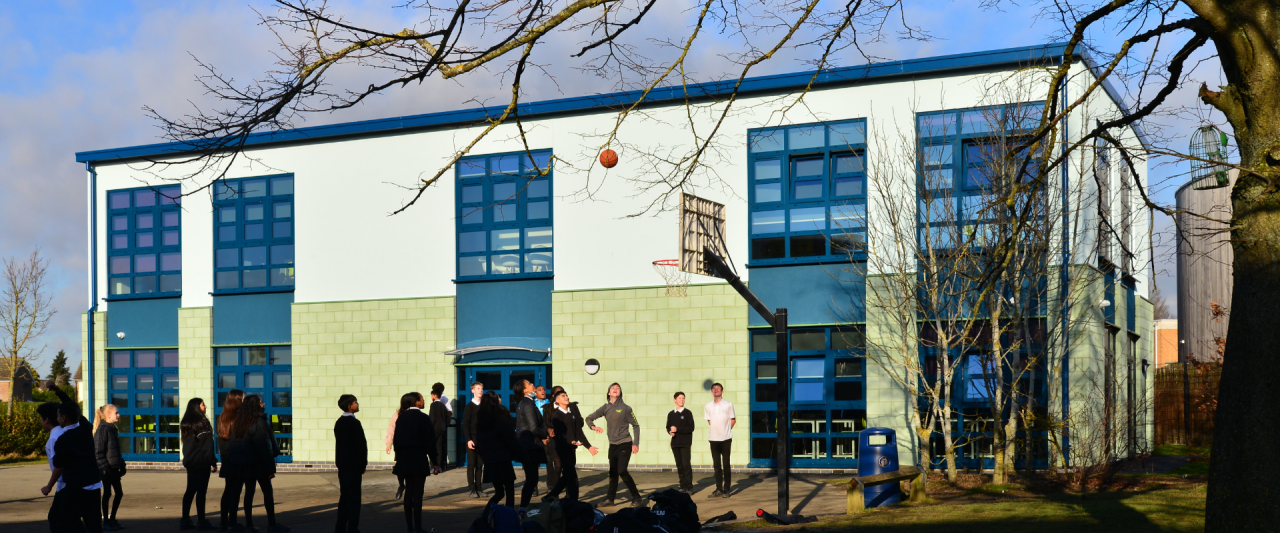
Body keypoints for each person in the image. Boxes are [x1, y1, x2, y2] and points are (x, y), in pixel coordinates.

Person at [38, 381, 104, 533]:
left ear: (62, 418)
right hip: (93, 483)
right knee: (93, 523)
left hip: (75, 486)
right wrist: (59, 391)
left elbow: (59, 465)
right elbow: (72, 406)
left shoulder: (63, 439)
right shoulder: (86, 428)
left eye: (58, 415)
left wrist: (49, 486)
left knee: (64, 523)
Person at [586, 382, 643, 507]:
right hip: (613, 445)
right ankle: (610, 499)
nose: (615, 389)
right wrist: (593, 427)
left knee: (622, 471)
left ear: (620, 392)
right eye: (613, 388)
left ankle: (636, 497)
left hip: (625, 443)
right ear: (609, 393)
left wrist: (636, 443)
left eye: (618, 388)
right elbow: (588, 418)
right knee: (612, 473)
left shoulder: (626, 408)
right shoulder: (605, 407)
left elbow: (636, 426)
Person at [392, 392, 438, 533]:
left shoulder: (401, 418)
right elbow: (430, 442)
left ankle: (409, 527)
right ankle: (418, 526)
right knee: (418, 494)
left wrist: (398, 458)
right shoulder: (424, 418)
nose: (424, 401)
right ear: (417, 402)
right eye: (422, 399)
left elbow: (396, 441)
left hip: (404, 458)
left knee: (408, 492)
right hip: (418, 458)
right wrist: (435, 462)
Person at [542, 390, 598, 502]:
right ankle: (573, 500)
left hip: (571, 448)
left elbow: (579, 432)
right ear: (557, 401)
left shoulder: (572, 414)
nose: (566, 397)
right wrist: (570, 441)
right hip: (562, 448)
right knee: (572, 475)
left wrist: (589, 446)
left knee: (568, 474)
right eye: (563, 396)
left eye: (566, 395)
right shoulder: (557, 416)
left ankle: (550, 496)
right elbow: (559, 435)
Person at [474, 392, 523, 509]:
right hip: (503, 459)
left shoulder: (482, 420)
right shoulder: (501, 417)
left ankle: (485, 516)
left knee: (499, 492)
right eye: (498, 397)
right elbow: (511, 439)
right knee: (509, 491)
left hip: (490, 461)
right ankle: (509, 517)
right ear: (495, 401)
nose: (500, 399)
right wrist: (521, 455)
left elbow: (480, 442)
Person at [180, 398, 219, 531]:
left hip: (191, 462)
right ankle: (201, 521)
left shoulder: (186, 424)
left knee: (190, 490)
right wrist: (213, 461)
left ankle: (185, 520)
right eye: (203, 405)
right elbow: (208, 446)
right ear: (197, 407)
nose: (205, 406)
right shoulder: (203, 423)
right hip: (202, 462)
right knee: (201, 492)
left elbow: (187, 446)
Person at [512, 379, 547, 511]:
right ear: (525, 390)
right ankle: (522, 508)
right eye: (529, 383)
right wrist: (545, 435)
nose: (532, 384)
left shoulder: (527, 402)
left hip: (528, 446)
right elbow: (533, 428)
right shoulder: (527, 404)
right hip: (530, 446)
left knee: (532, 479)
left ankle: (523, 508)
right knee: (531, 480)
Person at [334, 394, 367, 533]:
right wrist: (363, 463)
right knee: (354, 498)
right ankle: (352, 527)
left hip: (343, 465)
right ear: (349, 406)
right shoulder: (354, 423)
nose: (357, 404)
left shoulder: (339, 422)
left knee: (344, 497)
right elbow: (361, 445)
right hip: (354, 466)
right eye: (355, 402)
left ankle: (340, 526)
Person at [93, 404, 126, 530]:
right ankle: (106, 521)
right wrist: (105, 468)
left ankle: (112, 519)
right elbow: (98, 452)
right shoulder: (103, 429)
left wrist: (121, 464)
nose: (119, 415)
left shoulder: (112, 428)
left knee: (119, 493)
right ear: (108, 415)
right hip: (106, 469)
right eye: (116, 413)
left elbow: (115, 451)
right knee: (107, 493)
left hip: (114, 468)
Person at [218, 389, 246, 530]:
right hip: (237, 461)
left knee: (228, 491)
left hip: (227, 460)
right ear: (238, 400)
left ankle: (224, 523)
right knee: (235, 493)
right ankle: (232, 523)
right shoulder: (239, 418)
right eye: (243, 398)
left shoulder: (223, 417)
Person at [704, 382, 736, 498]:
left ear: (722, 391)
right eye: (714, 389)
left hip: (726, 439)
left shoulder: (728, 404)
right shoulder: (708, 406)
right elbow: (709, 421)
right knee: (716, 465)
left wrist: (725, 430)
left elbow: (733, 420)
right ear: (712, 392)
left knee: (726, 464)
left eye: (718, 388)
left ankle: (727, 489)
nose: (716, 390)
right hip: (713, 439)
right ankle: (719, 488)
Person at [667, 392, 696, 493]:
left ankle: (689, 486)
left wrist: (677, 429)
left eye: (683, 398)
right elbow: (668, 426)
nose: (682, 400)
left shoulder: (688, 413)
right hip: (675, 443)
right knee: (679, 465)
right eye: (679, 398)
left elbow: (691, 428)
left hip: (685, 443)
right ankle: (682, 485)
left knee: (686, 465)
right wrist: (670, 431)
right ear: (675, 400)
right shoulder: (671, 414)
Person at [462, 382, 485, 498]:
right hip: (472, 439)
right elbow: (466, 425)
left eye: (481, 389)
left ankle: (479, 488)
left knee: (480, 465)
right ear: (472, 391)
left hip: (482, 440)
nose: (480, 391)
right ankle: (472, 489)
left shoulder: (484, 406)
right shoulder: (469, 407)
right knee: (471, 464)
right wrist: (469, 439)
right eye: (478, 388)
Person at [539, 386, 564, 492]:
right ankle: (551, 486)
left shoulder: (568, 407)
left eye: (563, 393)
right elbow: (543, 423)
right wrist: (548, 430)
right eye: (558, 393)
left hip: (562, 440)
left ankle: (558, 485)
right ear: (553, 395)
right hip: (550, 440)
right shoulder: (547, 408)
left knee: (559, 466)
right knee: (549, 463)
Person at [385, 408, 404, 500]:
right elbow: (391, 429)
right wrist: (389, 444)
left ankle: (411, 492)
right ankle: (401, 486)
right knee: (400, 468)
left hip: (413, 447)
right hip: (400, 446)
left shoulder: (417, 414)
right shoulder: (397, 415)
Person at [429, 385, 449, 471]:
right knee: (439, 447)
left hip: (434, 429)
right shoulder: (443, 405)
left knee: (432, 447)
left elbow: (432, 417)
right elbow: (448, 417)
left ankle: (433, 465)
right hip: (442, 428)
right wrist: (445, 425)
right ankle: (440, 466)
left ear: (434, 395)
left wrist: (429, 427)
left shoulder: (433, 405)